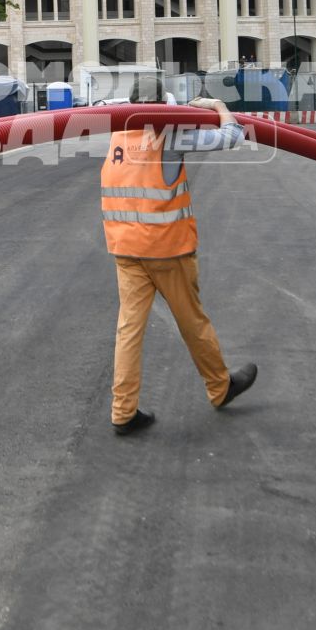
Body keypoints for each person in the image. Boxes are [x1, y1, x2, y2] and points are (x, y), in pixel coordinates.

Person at [100, 75, 257, 435]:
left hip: (126, 248)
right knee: (192, 322)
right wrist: (218, 107)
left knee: (128, 330)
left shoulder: (118, 136)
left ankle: (123, 411)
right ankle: (220, 387)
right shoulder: (170, 135)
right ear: (161, 106)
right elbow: (232, 137)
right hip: (167, 248)